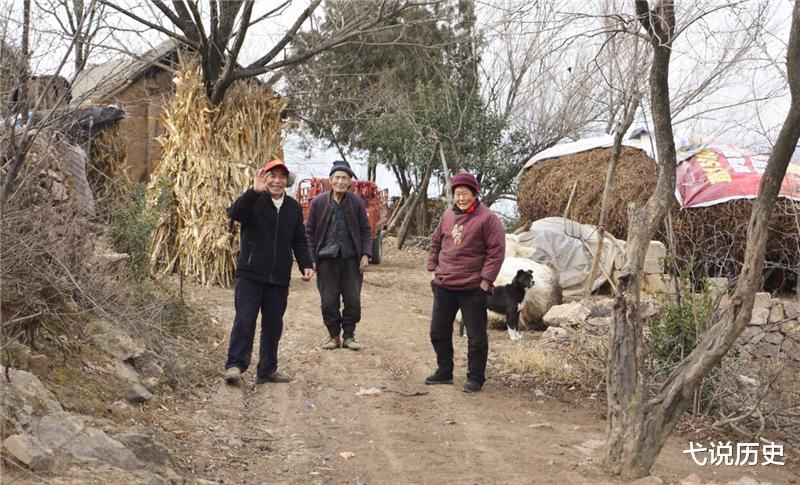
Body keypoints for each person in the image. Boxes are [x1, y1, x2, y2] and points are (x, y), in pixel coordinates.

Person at [223, 159, 315, 385]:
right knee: (245, 320)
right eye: (272, 175)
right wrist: (253, 191)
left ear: (287, 181)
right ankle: (235, 365)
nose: (276, 180)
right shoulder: (253, 200)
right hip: (250, 275)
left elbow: (299, 240)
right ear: (264, 178)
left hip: (278, 278)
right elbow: (234, 213)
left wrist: (306, 264)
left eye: (281, 177)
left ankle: (267, 369)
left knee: (274, 324)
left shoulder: (293, 207)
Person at [425, 171, 505, 393]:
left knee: (476, 336)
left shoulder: (488, 219)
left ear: (475, 193)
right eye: (457, 194)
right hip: (444, 284)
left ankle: (475, 378)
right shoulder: (447, 217)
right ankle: (444, 371)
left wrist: (485, 281)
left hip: (472, 287)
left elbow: (496, 252)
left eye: (465, 193)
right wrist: (433, 269)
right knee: (438, 332)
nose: (461, 198)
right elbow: (435, 243)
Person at [305, 160, 372, 351]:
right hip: (326, 259)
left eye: (344, 178)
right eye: (337, 177)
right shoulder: (318, 203)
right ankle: (334, 336)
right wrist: (311, 259)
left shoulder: (356, 203)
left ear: (350, 182)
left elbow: (366, 230)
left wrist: (365, 254)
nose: (341, 181)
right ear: (331, 180)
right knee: (328, 300)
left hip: (351, 259)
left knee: (353, 299)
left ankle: (349, 336)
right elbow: (309, 232)